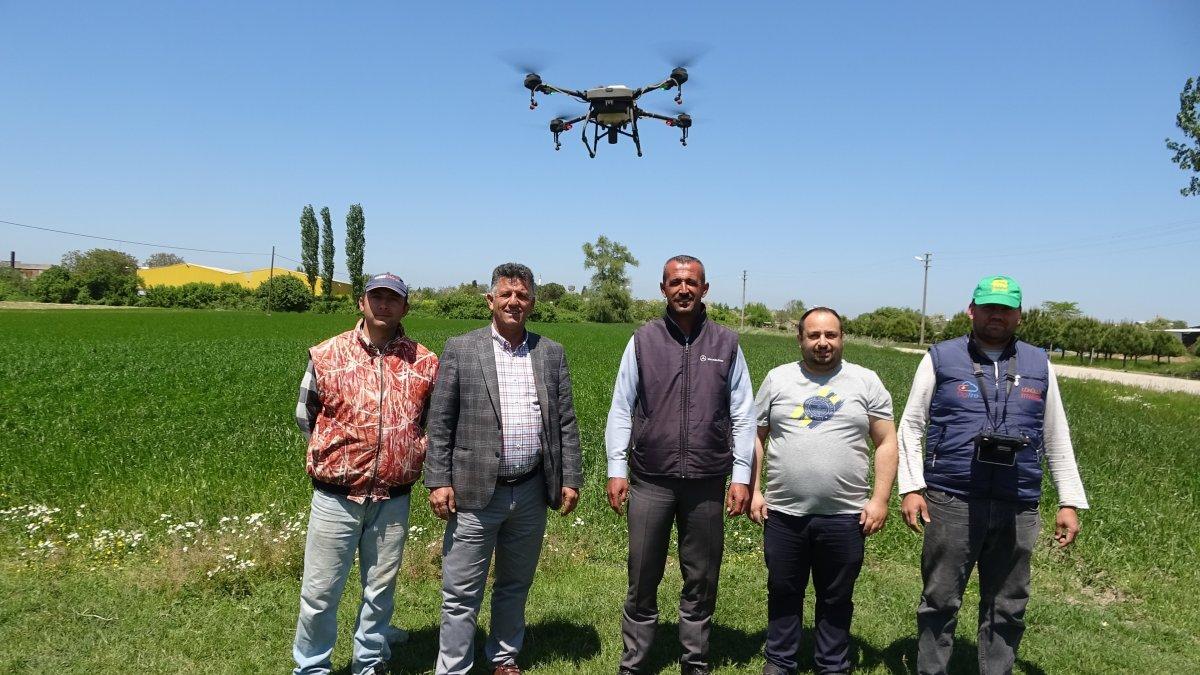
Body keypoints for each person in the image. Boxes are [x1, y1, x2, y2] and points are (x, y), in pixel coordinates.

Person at [896, 275, 1089, 675]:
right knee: (940, 599)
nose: (996, 315)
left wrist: (1069, 500)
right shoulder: (941, 357)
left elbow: (1056, 434)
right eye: (988, 307)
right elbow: (911, 425)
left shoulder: (1039, 363)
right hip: (951, 498)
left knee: (1008, 603)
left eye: (1005, 308)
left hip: (1017, 503)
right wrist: (912, 487)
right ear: (972, 310)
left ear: (1019, 314)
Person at [424, 262, 582, 675]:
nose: (514, 301)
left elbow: (565, 422)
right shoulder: (462, 348)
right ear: (490, 300)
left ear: (533, 303)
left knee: (514, 584)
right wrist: (438, 480)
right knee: (461, 591)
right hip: (474, 490)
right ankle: (454, 667)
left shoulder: (550, 353)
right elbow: (440, 421)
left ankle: (504, 657)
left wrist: (570, 479)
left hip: (530, 490)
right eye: (506, 294)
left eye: (522, 295)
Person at [605, 254, 755, 675]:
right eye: (675, 282)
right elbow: (622, 406)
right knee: (642, 576)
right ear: (663, 289)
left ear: (704, 289)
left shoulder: (726, 343)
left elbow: (743, 413)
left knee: (701, 579)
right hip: (650, 479)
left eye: (691, 282)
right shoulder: (643, 340)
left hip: (707, 482)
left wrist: (741, 475)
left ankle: (696, 662)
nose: (683, 289)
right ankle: (634, 663)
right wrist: (617, 468)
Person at [292, 273, 440, 675]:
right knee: (320, 592)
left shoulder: (425, 362)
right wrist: (343, 454)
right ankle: (312, 667)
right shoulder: (328, 353)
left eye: (393, 298)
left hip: (393, 498)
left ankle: (369, 662)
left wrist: (406, 451)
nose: (384, 304)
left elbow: (430, 423)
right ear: (362, 302)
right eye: (376, 297)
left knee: (380, 591)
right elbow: (306, 416)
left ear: (405, 307)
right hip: (335, 497)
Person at [748, 307, 898, 675]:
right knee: (783, 590)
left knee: (836, 596)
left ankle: (832, 664)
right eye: (814, 335)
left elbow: (886, 442)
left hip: (845, 515)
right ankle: (780, 660)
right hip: (784, 513)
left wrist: (880, 499)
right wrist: (754, 490)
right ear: (799, 339)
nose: (822, 342)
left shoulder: (865, 382)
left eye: (830, 334)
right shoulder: (778, 379)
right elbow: (756, 437)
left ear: (842, 338)